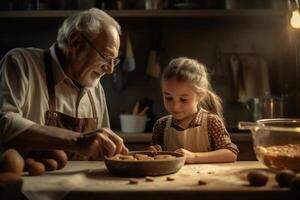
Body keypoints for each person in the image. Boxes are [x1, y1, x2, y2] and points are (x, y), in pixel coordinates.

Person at [0, 8, 128, 160]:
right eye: (106, 57)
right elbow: (4, 123)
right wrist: (77, 140)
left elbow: (103, 150)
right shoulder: (21, 63)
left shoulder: (96, 88)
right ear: (75, 42)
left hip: (82, 183)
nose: (110, 70)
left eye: (114, 61)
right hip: (28, 182)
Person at [151, 57, 238, 164]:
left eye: (183, 99)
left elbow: (230, 154)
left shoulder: (211, 123)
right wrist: (153, 153)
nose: (175, 106)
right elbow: (158, 158)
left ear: (200, 96)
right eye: (168, 98)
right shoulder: (161, 126)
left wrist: (194, 157)